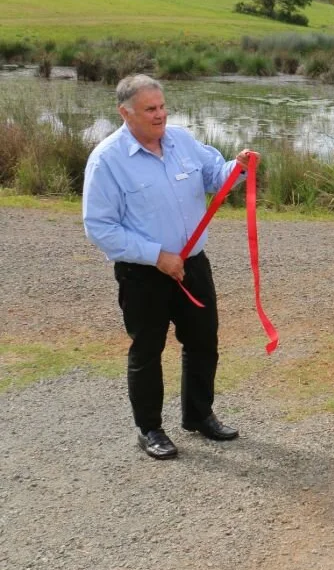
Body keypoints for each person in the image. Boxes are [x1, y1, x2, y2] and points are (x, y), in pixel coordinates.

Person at [83, 74, 256, 460]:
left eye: (162, 106)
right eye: (150, 109)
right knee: (147, 350)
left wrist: (239, 166)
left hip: (193, 266)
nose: (160, 115)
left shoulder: (182, 141)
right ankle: (149, 429)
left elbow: (216, 177)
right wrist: (156, 256)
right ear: (125, 112)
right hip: (143, 274)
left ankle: (199, 415)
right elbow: (99, 227)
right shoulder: (107, 160)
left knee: (203, 341)